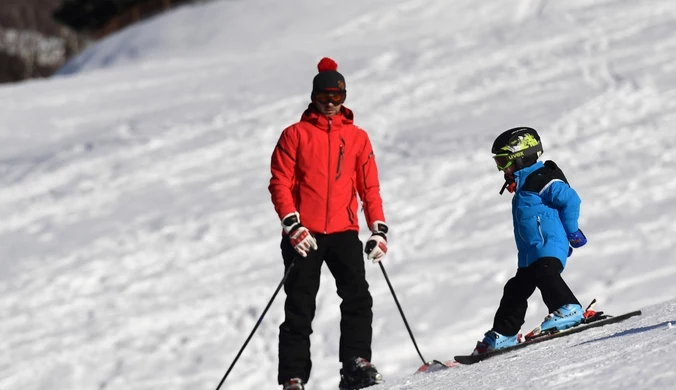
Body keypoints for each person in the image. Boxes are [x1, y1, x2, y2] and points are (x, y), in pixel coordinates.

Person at [269, 57, 388, 390]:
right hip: (304, 235)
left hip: (343, 231)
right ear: (313, 97)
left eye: (338, 98)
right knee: (300, 307)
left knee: (358, 298)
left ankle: (355, 364)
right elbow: (279, 182)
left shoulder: (357, 138)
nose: (331, 105)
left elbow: (369, 188)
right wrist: (293, 225)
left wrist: (378, 229)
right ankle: (293, 379)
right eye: (325, 98)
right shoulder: (295, 135)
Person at [472, 127, 588, 355]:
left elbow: (571, 200)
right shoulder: (524, 185)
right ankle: (505, 332)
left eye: (504, 161)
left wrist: (572, 232)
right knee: (515, 287)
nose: (501, 168)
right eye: (498, 162)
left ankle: (569, 308)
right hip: (530, 253)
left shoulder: (542, 178)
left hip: (549, 244)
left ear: (521, 157)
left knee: (546, 273)